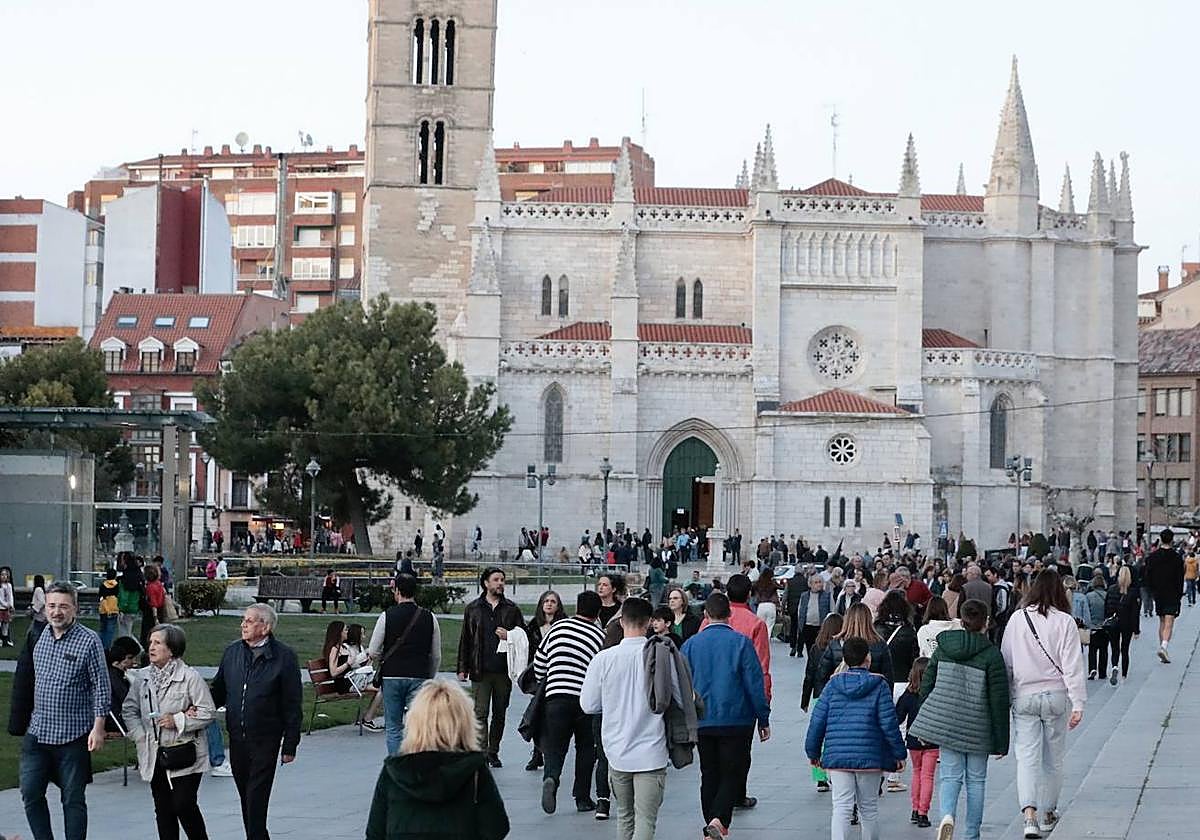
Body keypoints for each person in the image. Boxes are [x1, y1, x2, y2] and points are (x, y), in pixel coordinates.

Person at [582, 597, 684, 840]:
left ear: (621, 620)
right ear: (649, 623)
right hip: (651, 750)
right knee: (646, 819)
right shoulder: (661, 656)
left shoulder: (603, 659)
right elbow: (679, 696)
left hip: (616, 751)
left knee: (624, 815)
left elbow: (588, 705)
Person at [909, 599, 1010, 840]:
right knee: (976, 781)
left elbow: (927, 685)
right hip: (978, 727)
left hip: (947, 724)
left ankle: (946, 816)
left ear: (961, 621)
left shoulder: (944, 647)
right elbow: (999, 700)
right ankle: (972, 834)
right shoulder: (991, 654)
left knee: (950, 776)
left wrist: (928, 719)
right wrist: (1001, 741)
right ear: (985, 622)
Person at [19, 582, 110, 840]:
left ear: (75, 609)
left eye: (63, 606)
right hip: (38, 733)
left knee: (72, 799)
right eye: (52, 606)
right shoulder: (40, 636)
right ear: (44, 607)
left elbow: (101, 687)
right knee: (30, 792)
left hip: (73, 736)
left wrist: (98, 727)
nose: (56, 612)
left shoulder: (89, 641)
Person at [1001, 570, 1087, 838]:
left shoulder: (1017, 619)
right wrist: (1078, 703)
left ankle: (1029, 816)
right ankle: (1049, 812)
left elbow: (1007, 659)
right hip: (1055, 694)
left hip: (1024, 695)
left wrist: (1007, 696)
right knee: (1054, 759)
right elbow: (1072, 665)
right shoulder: (1065, 621)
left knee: (1026, 758)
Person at [365, 680, 510, 840]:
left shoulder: (394, 771)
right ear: (464, 722)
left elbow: (374, 833)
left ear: (415, 723)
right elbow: (497, 827)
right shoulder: (474, 771)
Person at [210, 604, 302, 840]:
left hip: (266, 739)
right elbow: (218, 691)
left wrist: (290, 743)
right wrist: (198, 707)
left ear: (266, 627)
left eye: (250, 621)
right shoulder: (232, 652)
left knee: (256, 797)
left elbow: (292, 703)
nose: (243, 625)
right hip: (237, 737)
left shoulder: (284, 657)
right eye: (243, 620)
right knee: (246, 797)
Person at [683, 593, 771, 840]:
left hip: (703, 718)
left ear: (706, 615)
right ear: (729, 615)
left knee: (709, 771)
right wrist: (763, 717)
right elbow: (754, 683)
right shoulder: (741, 643)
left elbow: (682, 682)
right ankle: (719, 819)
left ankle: (711, 820)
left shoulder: (691, 644)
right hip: (737, 718)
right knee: (732, 771)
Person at [804, 636, 906, 840]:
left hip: (837, 756)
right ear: (868, 658)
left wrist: (813, 752)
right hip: (870, 756)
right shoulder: (879, 686)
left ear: (845, 659)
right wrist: (899, 753)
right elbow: (889, 724)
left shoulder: (832, 686)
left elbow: (817, 721)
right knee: (868, 809)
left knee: (841, 807)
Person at [123, 624, 215, 840]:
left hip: (185, 753)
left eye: (157, 643)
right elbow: (129, 710)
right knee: (163, 809)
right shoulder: (142, 678)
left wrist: (178, 720)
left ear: (171, 649)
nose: (151, 647)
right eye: (150, 642)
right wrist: (139, 735)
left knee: (183, 805)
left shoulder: (190, 677)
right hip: (154, 753)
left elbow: (208, 712)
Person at [534, 591, 606, 815]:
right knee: (585, 748)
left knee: (555, 746)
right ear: (598, 613)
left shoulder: (558, 628)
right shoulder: (599, 636)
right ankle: (582, 797)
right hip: (585, 700)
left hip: (556, 696)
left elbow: (539, 663)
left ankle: (551, 778)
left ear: (576, 607)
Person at [457, 567, 525, 768]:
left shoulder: (511, 609)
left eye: (502, 580)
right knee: (480, 712)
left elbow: (523, 636)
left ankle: (494, 750)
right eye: (496, 580)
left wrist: (510, 636)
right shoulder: (473, 609)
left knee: (500, 713)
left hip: (504, 670)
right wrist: (462, 667)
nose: (500, 583)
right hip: (480, 669)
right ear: (486, 583)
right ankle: (482, 751)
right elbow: (466, 639)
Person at [368, 574, 440, 755]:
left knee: (393, 727)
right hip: (419, 674)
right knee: (418, 726)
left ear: (397, 591)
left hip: (392, 675)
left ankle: (396, 766)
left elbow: (373, 650)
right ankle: (417, 764)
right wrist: (429, 675)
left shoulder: (387, 616)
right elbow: (436, 654)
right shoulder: (429, 617)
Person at [523, 591, 565, 771]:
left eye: (553, 601)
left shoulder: (564, 625)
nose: (549, 604)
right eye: (546, 601)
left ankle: (549, 753)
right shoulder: (533, 626)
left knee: (551, 718)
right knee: (537, 715)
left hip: (557, 676)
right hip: (538, 676)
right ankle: (537, 753)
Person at [816, 603, 895, 694]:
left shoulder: (835, 644)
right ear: (869, 620)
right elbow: (888, 678)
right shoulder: (880, 644)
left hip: (840, 699)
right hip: (871, 699)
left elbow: (822, 676)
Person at [895, 657, 937, 828]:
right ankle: (923, 812)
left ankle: (914, 808)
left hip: (913, 740)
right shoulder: (935, 694)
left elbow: (897, 717)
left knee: (917, 773)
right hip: (932, 740)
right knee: (928, 776)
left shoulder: (908, 695)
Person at [1144, 528, 1185, 663]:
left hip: (1159, 593)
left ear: (1161, 539)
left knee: (1162, 621)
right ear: (1172, 540)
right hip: (1172, 593)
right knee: (1169, 622)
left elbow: (1147, 576)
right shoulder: (1177, 557)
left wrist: (1152, 591)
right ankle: (1164, 647)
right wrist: (1180, 594)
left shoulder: (1152, 557)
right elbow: (1180, 578)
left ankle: (1163, 648)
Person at [874, 590, 920, 686]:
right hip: (902, 680)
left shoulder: (875, 629)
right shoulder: (909, 631)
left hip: (879, 680)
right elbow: (914, 658)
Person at [1103, 566, 1140, 683]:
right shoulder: (1133, 593)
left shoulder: (1111, 589)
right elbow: (1135, 614)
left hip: (1113, 623)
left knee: (1114, 648)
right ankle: (1124, 674)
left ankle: (1114, 666)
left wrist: (1107, 619)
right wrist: (1136, 630)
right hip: (1127, 624)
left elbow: (1107, 607)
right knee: (1125, 649)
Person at [105, 636, 141, 733]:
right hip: (118, 722)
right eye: (130, 658)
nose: (134, 662)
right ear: (117, 661)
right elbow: (126, 698)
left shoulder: (113, 673)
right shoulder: (113, 677)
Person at [1085, 574, 1109, 680]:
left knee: (1092, 650)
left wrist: (1088, 626)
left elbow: (1087, 612)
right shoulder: (1107, 595)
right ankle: (1102, 672)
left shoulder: (1089, 596)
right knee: (1104, 649)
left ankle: (1092, 669)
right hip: (1105, 626)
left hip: (1093, 626)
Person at [321, 621, 352, 694]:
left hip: (350, 680)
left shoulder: (343, 647)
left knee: (380, 687)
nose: (347, 632)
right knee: (380, 689)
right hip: (344, 684)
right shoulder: (334, 649)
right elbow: (333, 672)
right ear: (339, 633)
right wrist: (347, 664)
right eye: (345, 630)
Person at [97, 568, 120, 651]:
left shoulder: (103, 585)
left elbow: (101, 597)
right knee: (110, 631)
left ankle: (100, 646)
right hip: (114, 609)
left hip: (103, 610)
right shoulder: (117, 585)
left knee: (102, 629)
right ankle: (107, 648)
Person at [752, 571, 780, 638]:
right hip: (771, 605)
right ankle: (767, 642)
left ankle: (760, 641)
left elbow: (752, 591)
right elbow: (781, 587)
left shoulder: (758, 583)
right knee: (769, 627)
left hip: (761, 605)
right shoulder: (772, 583)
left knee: (760, 626)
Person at [28, 575, 47, 642]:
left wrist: (34, 610)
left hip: (40, 615)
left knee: (35, 631)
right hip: (41, 615)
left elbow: (42, 602)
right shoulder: (42, 590)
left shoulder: (38, 590)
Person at [0, 566, 16, 648]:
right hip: (1, 608)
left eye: (5, 575)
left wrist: (11, 606)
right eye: (2, 575)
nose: (4, 576)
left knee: (5, 625)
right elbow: (0, 599)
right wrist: (6, 604)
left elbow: (11, 596)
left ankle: (5, 640)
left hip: (7, 609)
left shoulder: (9, 586)